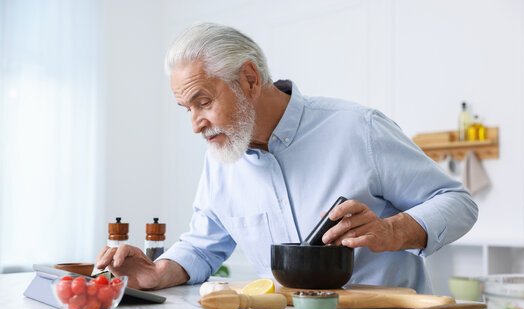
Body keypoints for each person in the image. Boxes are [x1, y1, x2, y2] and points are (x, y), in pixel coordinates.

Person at [95, 23, 478, 294]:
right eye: (187, 109)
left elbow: (458, 202)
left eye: (204, 102)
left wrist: (392, 231)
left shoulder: (358, 129)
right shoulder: (221, 157)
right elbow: (202, 245)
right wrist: (157, 273)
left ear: (248, 79)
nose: (196, 124)